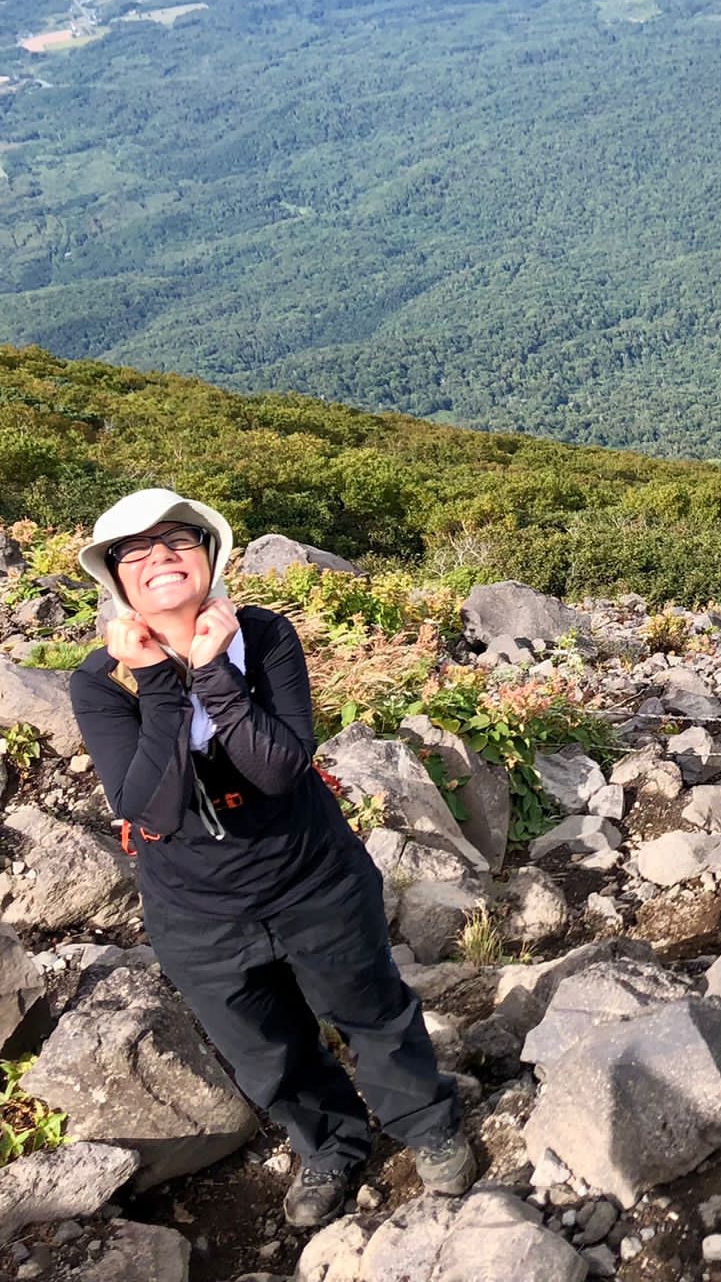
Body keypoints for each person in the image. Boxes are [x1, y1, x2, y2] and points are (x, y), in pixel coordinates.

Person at [67, 489, 473, 1228]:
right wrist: (161, 682)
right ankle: (330, 1147)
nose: (160, 556)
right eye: (136, 549)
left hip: (311, 876)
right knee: (264, 1050)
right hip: (197, 910)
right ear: (115, 576)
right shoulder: (102, 681)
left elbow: (280, 768)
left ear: (209, 553)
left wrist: (215, 671)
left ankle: (427, 1125)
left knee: (372, 1012)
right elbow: (149, 809)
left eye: (178, 540)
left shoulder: (263, 636)